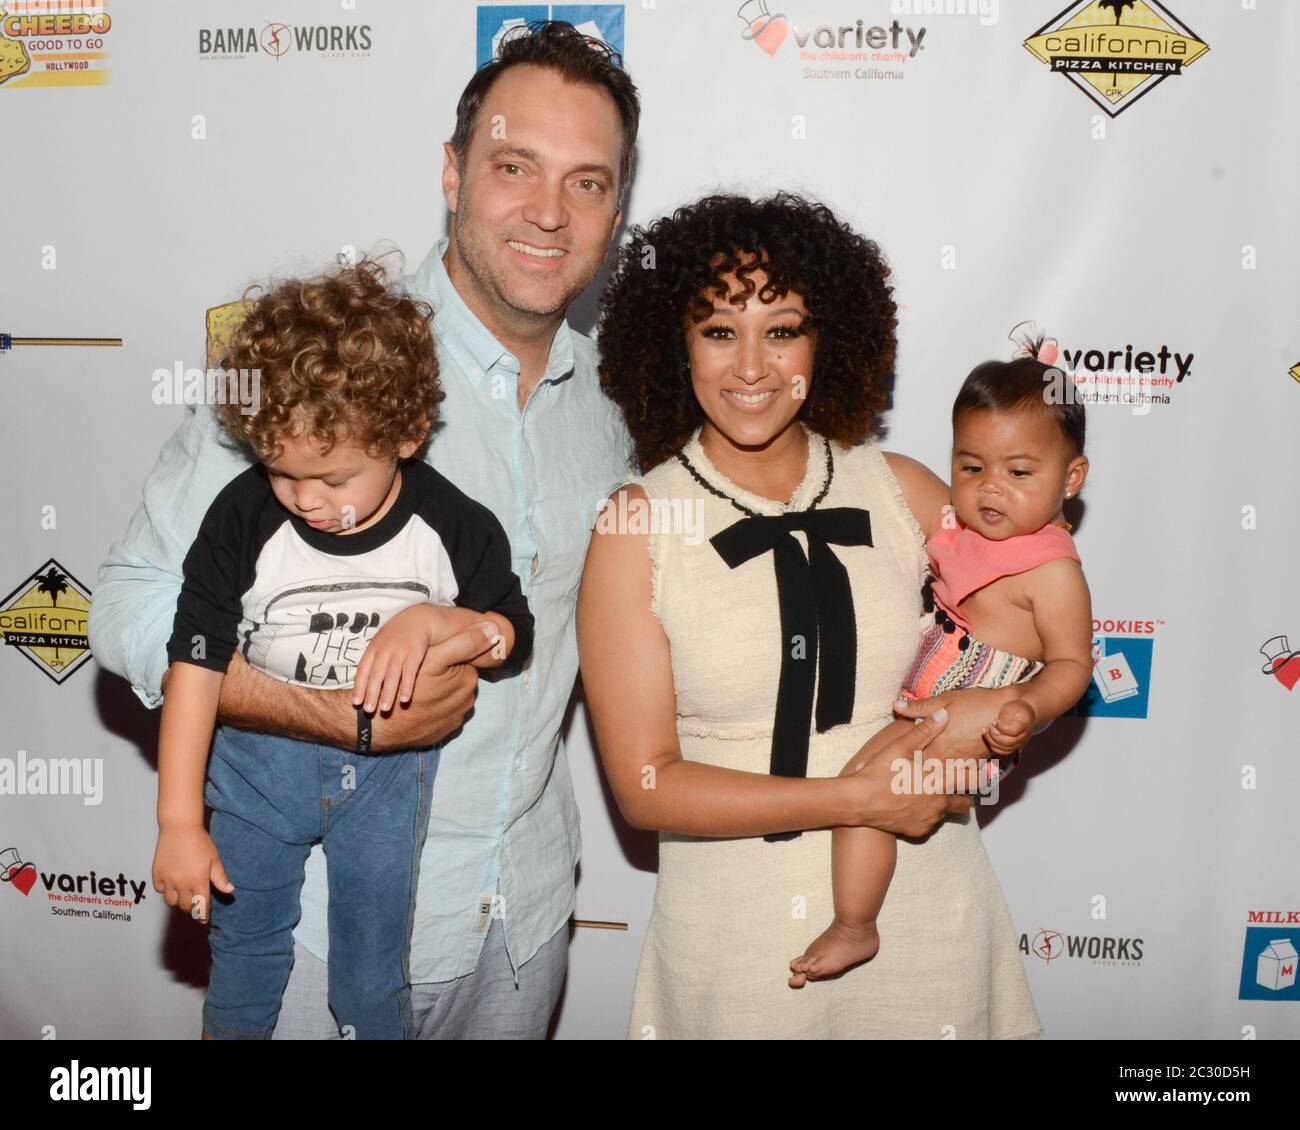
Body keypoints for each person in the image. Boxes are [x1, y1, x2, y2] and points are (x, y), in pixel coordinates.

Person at [88, 20, 637, 1039]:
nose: (548, 214)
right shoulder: (321, 367)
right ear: (451, 171)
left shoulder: (618, 406)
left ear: (617, 207)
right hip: (308, 932)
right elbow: (126, 601)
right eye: (514, 166)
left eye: (589, 182)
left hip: (519, 932)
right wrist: (322, 709)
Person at [578, 191, 1044, 1038]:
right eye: (719, 331)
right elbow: (646, 788)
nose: (751, 365)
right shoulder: (638, 524)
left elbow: (1030, 635)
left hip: (927, 910)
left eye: (782, 329)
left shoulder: (903, 491)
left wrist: (989, 732)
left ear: (826, 341)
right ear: (674, 347)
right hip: (737, 942)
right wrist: (857, 797)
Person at [154, 256, 534, 1040]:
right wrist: (178, 824)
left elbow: (510, 636)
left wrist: (439, 623)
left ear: (405, 433)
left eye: (331, 477)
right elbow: (194, 666)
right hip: (254, 770)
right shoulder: (241, 515)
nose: (305, 501)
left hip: (388, 782)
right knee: (243, 958)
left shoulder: (454, 523)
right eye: (282, 473)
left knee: (370, 970)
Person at [790, 337, 1094, 987]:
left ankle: (855, 925)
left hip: (976, 718)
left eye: (1019, 472)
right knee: (864, 786)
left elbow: (1072, 665)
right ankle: (857, 920)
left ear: (1071, 478)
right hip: (928, 700)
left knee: (864, 792)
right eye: (971, 466)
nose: (991, 490)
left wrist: (1023, 710)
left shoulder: (1052, 571)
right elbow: (883, 484)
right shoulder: (959, 526)